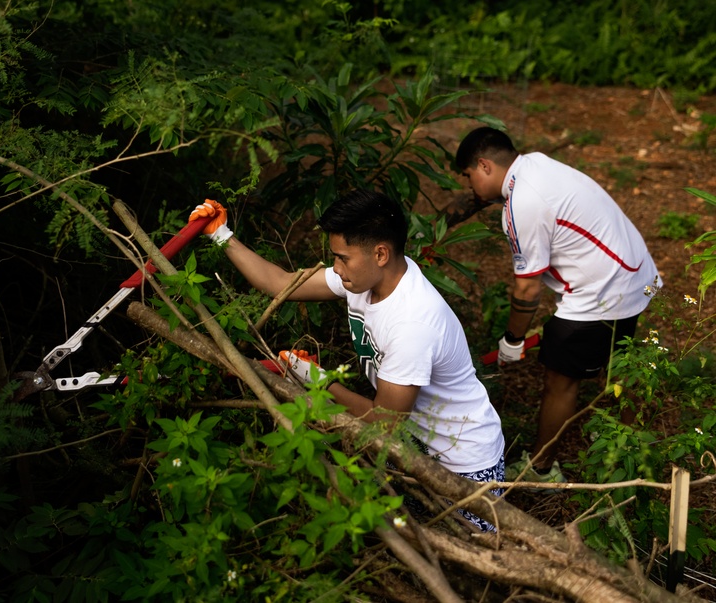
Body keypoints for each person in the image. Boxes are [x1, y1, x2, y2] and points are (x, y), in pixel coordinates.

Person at [190, 189, 505, 530]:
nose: (336, 268)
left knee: (453, 558)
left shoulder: (412, 323)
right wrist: (221, 235)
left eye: (342, 258)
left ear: (381, 253)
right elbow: (281, 283)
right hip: (418, 446)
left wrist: (319, 382)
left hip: (465, 466)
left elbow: (385, 421)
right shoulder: (367, 278)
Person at [455, 126, 661, 484]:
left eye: (468, 177)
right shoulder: (535, 165)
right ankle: (627, 443)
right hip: (634, 273)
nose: (469, 187)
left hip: (602, 292)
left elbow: (527, 289)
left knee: (559, 382)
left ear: (485, 166)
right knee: (618, 359)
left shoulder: (523, 202)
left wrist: (512, 341)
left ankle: (540, 469)